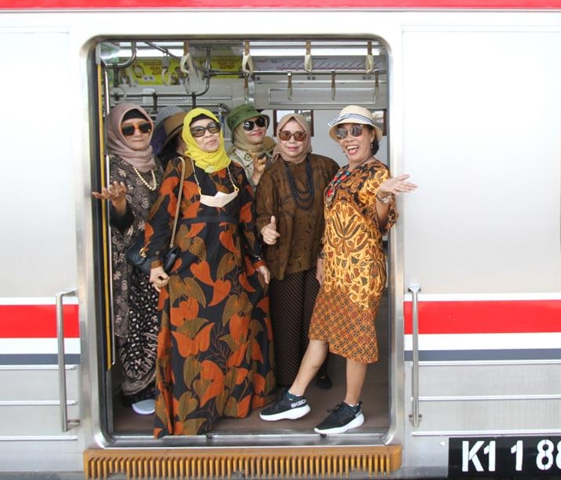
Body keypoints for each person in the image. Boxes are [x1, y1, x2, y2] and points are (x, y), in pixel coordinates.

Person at [259, 105, 417, 434]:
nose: (348, 139)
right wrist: (323, 256)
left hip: (360, 272)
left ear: (372, 135)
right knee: (319, 334)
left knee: (353, 341)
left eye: (356, 131)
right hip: (334, 270)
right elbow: (330, 222)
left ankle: (351, 407)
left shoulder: (378, 173)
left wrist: (383, 196)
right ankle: (295, 397)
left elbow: (380, 224)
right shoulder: (342, 172)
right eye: (343, 133)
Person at [145, 107, 276, 438]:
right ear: (189, 136)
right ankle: (194, 415)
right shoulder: (180, 167)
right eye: (199, 131)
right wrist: (156, 262)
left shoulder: (234, 171)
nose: (207, 135)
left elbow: (247, 219)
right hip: (190, 274)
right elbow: (161, 216)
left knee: (232, 336)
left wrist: (258, 260)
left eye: (212, 128)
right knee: (193, 345)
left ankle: (232, 404)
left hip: (230, 269)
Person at [255, 113, 340, 391]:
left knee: (316, 321)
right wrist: (265, 231)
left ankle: (319, 372)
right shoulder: (271, 173)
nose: (292, 141)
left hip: (320, 258)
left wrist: (326, 254)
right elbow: (261, 214)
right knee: (288, 321)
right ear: (278, 138)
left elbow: (338, 214)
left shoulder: (326, 167)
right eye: (286, 135)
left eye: (299, 134)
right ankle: (289, 378)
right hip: (284, 258)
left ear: (308, 137)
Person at [91, 102, 162, 416]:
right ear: (116, 132)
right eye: (128, 128)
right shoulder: (113, 167)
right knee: (137, 323)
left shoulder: (155, 164)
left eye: (144, 127)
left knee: (158, 323)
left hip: (157, 258)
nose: (137, 133)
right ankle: (135, 389)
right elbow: (119, 222)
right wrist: (119, 202)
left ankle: (157, 382)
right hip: (131, 263)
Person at [226, 104, 276, 191]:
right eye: (248, 125)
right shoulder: (232, 163)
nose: (257, 128)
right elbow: (235, 200)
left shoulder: (268, 154)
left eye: (260, 122)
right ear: (238, 132)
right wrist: (254, 179)